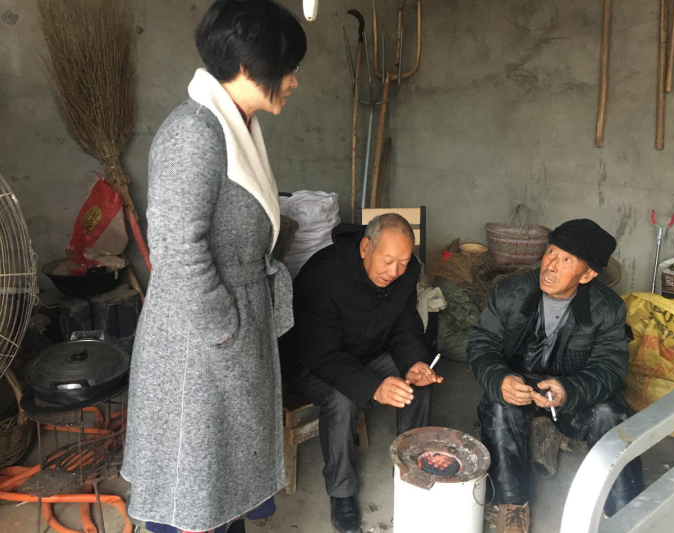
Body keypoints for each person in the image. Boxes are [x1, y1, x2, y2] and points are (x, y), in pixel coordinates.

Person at [121, 2, 306, 532]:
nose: (294, 81)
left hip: (230, 323)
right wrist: (225, 329)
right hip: (199, 342)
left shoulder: (234, 125)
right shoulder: (194, 132)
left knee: (222, 481)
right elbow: (176, 249)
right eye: (287, 67)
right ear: (248, 65)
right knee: (195, 483)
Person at [467, 219, 644, 533]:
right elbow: (482, 342)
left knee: (612, 414)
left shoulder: (608, 308)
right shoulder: (510, 291)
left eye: (566, 260)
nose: (550, 266)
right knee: (497, 407)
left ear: (587, 275)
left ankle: (623, 516)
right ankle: (511, 504)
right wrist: (501, 379)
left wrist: (569, 390)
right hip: (519, 384)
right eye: (551, 252)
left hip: (570, 392)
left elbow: (610, 370)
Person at [285, 214, 442, 533]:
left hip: (365, 354)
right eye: (388, 261)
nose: (394, 272)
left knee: (417, 384)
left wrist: (414, 362)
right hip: (308, 362)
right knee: (342, 400)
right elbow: (322, 355)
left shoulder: (407, 272)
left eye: (402, 263)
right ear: (365, 247)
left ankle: (410, 470)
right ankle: (342, 492)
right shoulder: (324, 274)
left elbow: (405, 326)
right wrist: (374, 386)